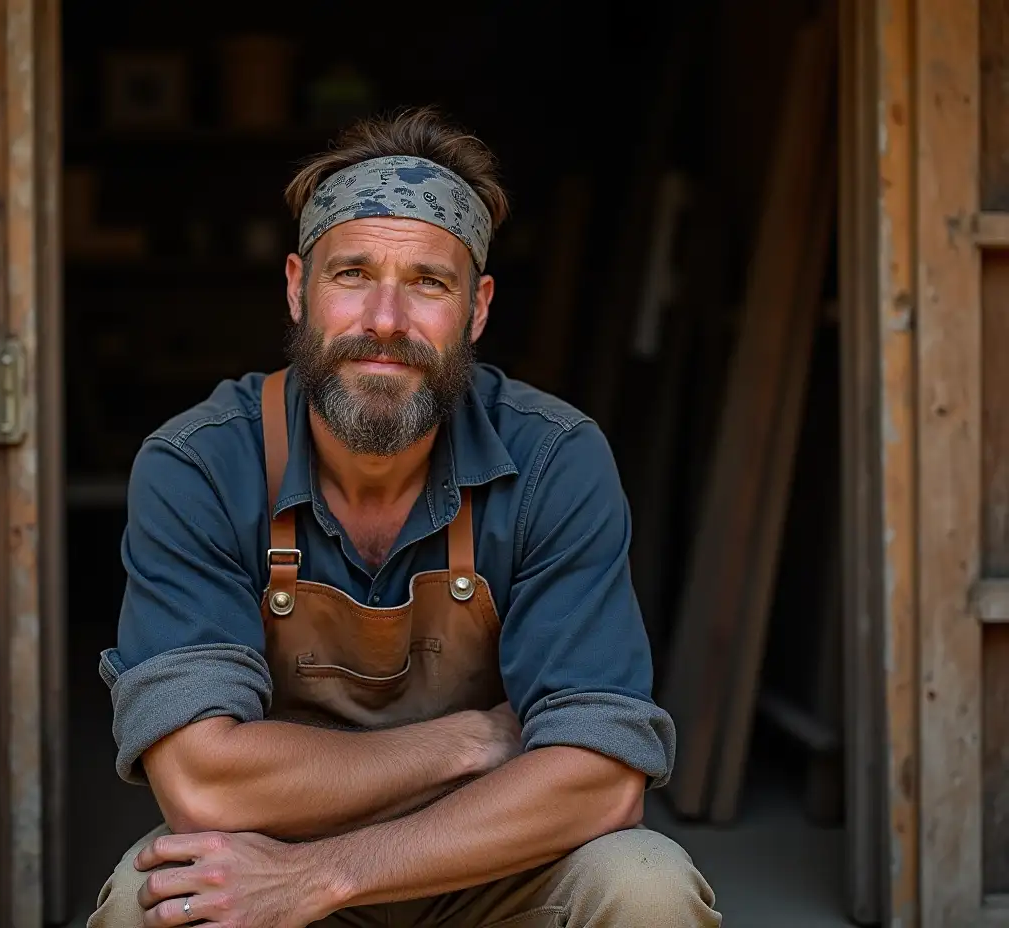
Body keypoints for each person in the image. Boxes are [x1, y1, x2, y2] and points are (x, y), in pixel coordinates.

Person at [89, 106, 721, 928]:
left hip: (494, 865)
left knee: (644, 885)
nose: (386, 322)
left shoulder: (554, 461)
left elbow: (601, 778)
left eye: (428, 282)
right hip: (266, 861)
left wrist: (327, 876)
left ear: (479, 307)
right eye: (352, 274)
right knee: (147, 907)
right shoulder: (200, 465)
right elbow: (206, 783)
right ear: (296, 288)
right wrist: (470, 741)